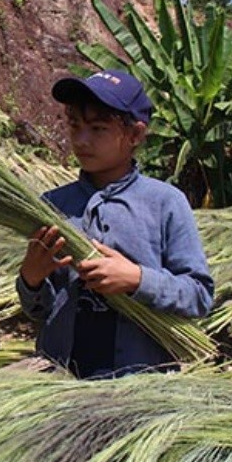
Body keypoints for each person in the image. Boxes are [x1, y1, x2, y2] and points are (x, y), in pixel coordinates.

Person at [16, 69, 214, 378]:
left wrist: (137, 279)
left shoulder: (165, 203)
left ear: (135, 134)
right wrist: (30, 280)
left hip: (140, 388)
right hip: (62, 384)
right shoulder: (52, 206)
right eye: (74, 126)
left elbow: (199, 296)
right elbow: (38, 310)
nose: (82, 140)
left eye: (97, 128)